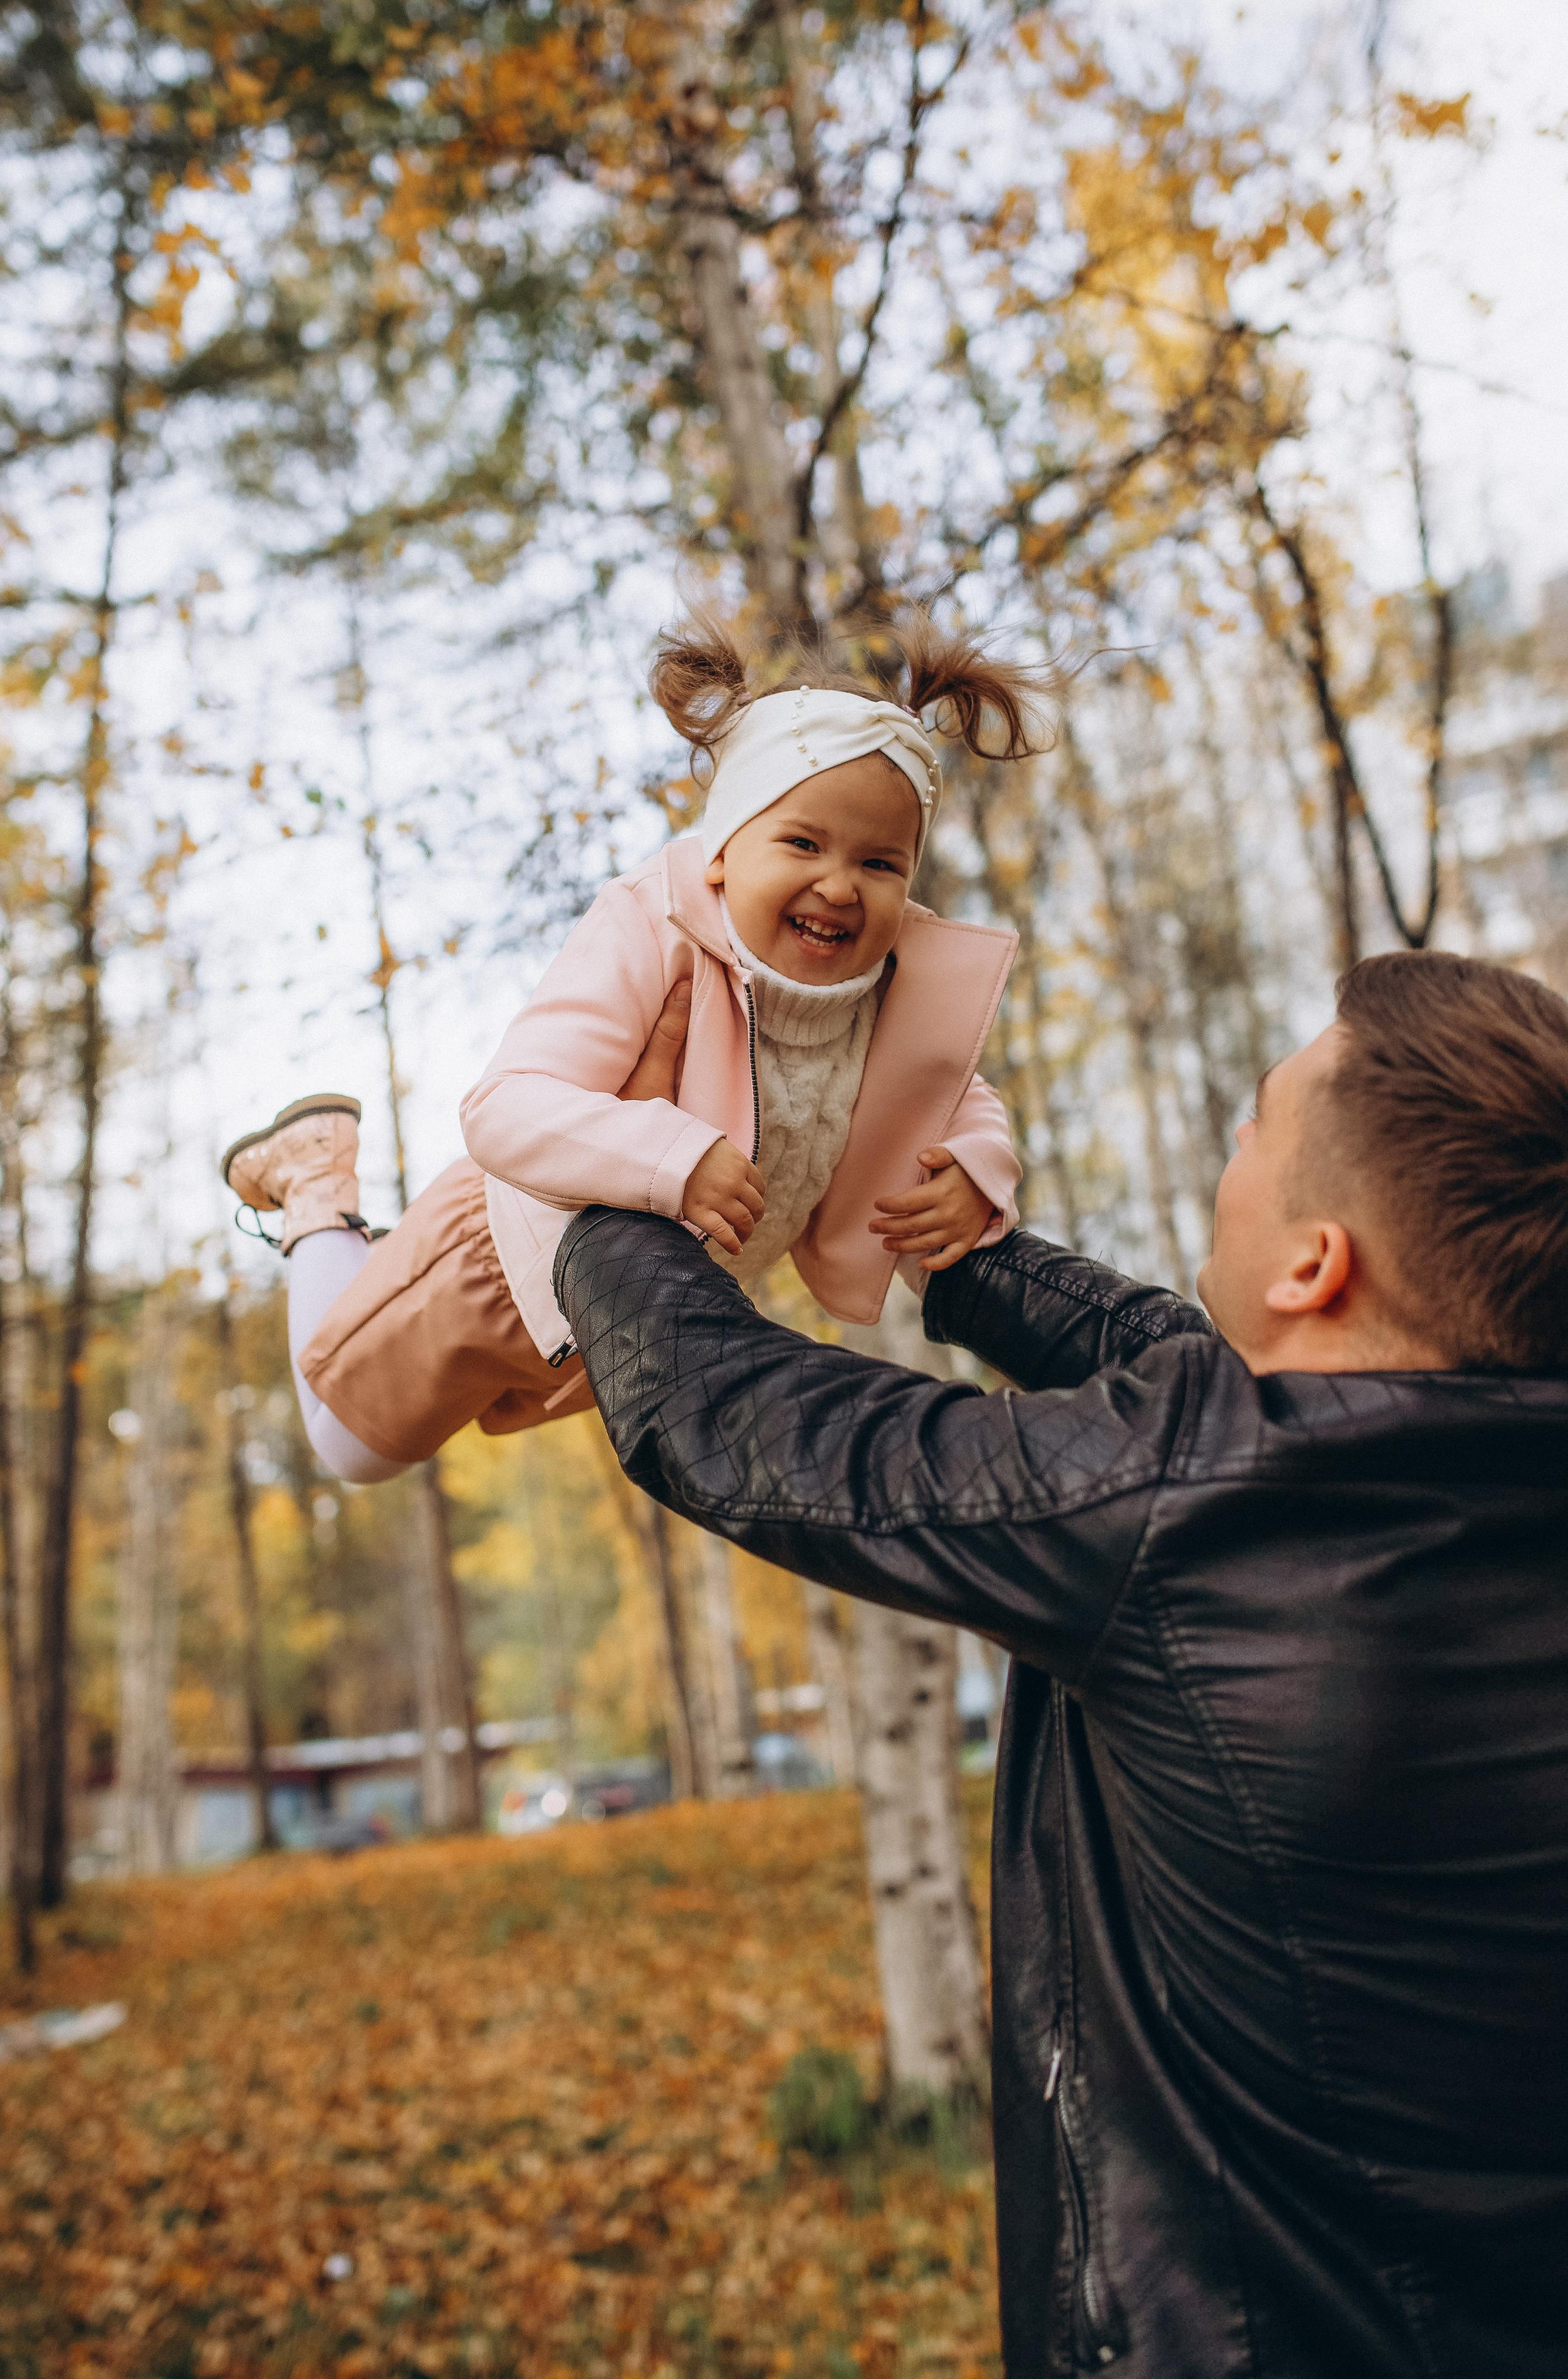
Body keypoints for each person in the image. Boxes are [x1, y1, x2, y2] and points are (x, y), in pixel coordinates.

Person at [548, 949, 1568, 2379]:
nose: (1231, 1151)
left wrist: (604, 1172)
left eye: (1252, 1129)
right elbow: (1216, 1382)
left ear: (1313, 1265)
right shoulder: (1462, 1471)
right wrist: (967, 1261)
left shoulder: (1197, 1508)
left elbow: (736, 1423)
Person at [219, 605, 1043, 1479]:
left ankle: (371, 1259)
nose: (840, 886)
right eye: (803, 843)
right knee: (348, 1446)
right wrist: (675, 1157)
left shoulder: (883, 992)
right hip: (502, 1257)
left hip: (627, 1307)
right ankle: (315, 1182)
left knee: (407, 1431)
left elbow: (956, 1098)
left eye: (880, 863)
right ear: (723, 849)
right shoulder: (656, 929)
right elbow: (503, 1106)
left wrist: (977, 1171)